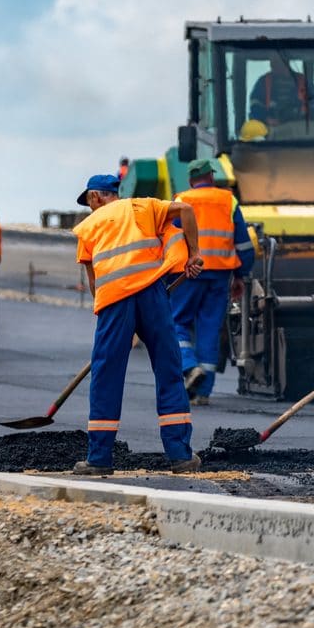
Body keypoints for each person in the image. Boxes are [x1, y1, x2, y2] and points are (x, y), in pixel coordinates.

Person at [71, 173, 205, 475]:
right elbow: (186, 210)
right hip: (153, 295)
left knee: (106, 375)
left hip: (115, 301)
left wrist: (116, 323)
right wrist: (194, 253)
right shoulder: (143, 207)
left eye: (89, 202)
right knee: (170, 370)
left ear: (95, 197)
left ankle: (99, 458)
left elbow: (95, 285)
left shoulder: (89, 227)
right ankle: (181, 455)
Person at [170, 158, 255, 405]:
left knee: (176, 322)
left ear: (190, 180)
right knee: (209, 329)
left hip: (187, 273)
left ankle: (189, 366)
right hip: (219, 275)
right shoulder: (229, 200)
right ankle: (203, 393)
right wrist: (241, 275)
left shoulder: (181, 200)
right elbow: (244, 245)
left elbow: (171, 239)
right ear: (211, 177)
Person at [248, 54, 314, 125]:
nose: (272, 65)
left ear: (286, 62)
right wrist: (265, 119)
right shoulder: (263, 82)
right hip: (271, 134)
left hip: (301, 132)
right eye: (272, 61)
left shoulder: (303, 82)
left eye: (276, 61)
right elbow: (255, 106)